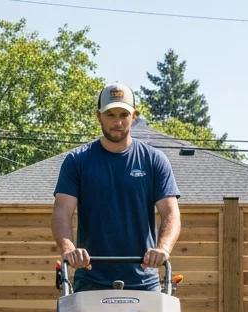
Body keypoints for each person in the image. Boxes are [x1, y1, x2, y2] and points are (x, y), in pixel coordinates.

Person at [51, 82, 181, 292]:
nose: (117, 122)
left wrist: (162, 249)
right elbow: (62, 211)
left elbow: (171, 212)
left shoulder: (154, 160)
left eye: (123, 114)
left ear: (134, 115)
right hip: (91, 281)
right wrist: (69, 249)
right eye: (110, 114)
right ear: (98, 116)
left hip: (144, 283)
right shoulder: (77, 161)